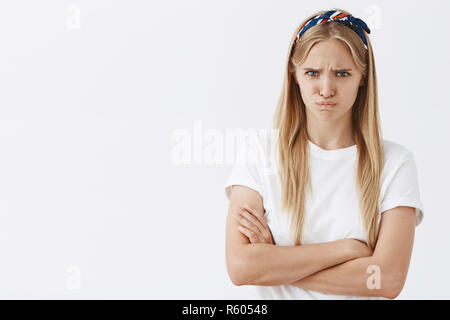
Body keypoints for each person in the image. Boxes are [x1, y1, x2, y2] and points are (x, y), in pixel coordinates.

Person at [223, 8, 424, 300]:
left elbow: (387, 279)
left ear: (362, 77)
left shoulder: (395, 163)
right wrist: (346, 250)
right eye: (312, 73)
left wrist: (276, 261)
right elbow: (241, 267)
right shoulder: (259, 153)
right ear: (294, 75)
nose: (326, 89)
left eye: (342, 74)